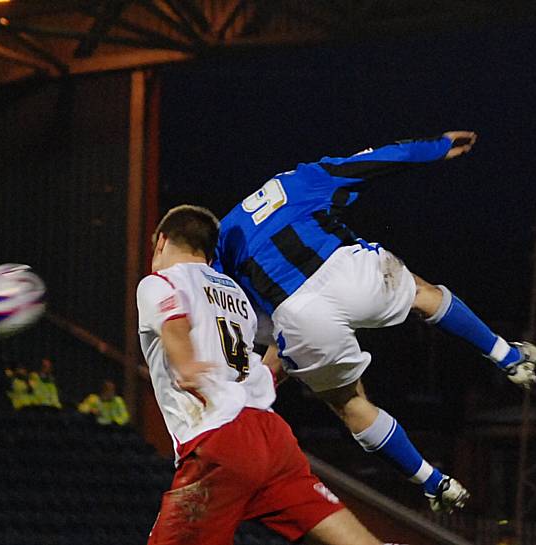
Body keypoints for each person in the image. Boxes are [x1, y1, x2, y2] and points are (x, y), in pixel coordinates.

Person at [214, 131, 536, 513]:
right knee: (422, 293)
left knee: (349, 403)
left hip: (298, 313)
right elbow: (382, 159)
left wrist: (248, 364)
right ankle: (508, 358)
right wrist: (437, 146)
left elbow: (222, 300)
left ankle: (434, 483)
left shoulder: (222, 237)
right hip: (349, 273)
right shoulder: (298, 180)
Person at [136, 205, 397, 545]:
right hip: (271, 435)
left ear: (162, 242)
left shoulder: (159, 282)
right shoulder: (236, 297)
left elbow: (174, 322)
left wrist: (185, 363)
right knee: (345, 533)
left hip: (219, 438)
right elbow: (267, 363)